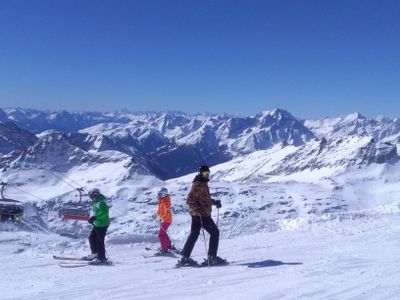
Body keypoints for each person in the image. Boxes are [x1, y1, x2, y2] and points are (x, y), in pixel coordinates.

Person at [179, 165, 225, 266]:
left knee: (194, 234)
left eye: (208, 174)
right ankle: (212, 258)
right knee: (215, 233)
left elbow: (204, 200)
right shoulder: (198, 184)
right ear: (200, 173)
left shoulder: (202, 183)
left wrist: (214, 202)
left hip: (197, 214)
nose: (207, 175)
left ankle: (185, 258)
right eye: (205, 174)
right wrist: (197, 209)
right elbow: (190, 200)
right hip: (202, 215)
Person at [83, 188, 110, 264]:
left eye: (91, 196)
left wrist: (95, 217)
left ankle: (102, 258)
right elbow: (97, 212)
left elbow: (104, 212)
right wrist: (93, 217)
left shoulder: (101, 202)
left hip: (102, 224)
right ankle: (95, 254)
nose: (91, 198)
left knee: (99, 241)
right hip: (98, 223)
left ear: (95, 194)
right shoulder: (97, 201)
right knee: (91, 237)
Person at [154, 187, 175, 254]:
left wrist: (162, 217)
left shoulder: (165, 202)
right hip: (166, 220)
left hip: (166, 220)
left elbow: (167, 212)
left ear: (163, 194)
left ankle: (164, 249)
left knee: (160, 235)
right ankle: (168, 246)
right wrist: (156, 215)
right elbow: (160, 210)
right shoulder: (162, 201)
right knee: (163, 233)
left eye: (160, 194)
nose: (158, 195)